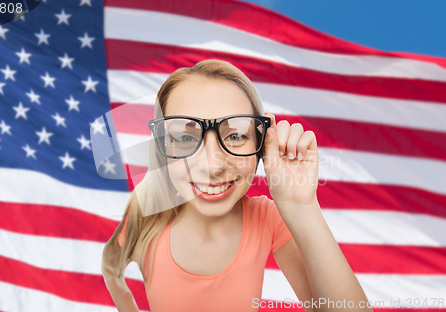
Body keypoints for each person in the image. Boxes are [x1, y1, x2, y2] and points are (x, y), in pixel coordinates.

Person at [101, 59, 373, 312]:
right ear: (162, 149)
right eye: (184, 137)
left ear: (261, 144)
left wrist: (301, 205)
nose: (213, 165)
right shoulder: (146, 216)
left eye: (236, 135)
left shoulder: (266, 218)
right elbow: (111, 265)